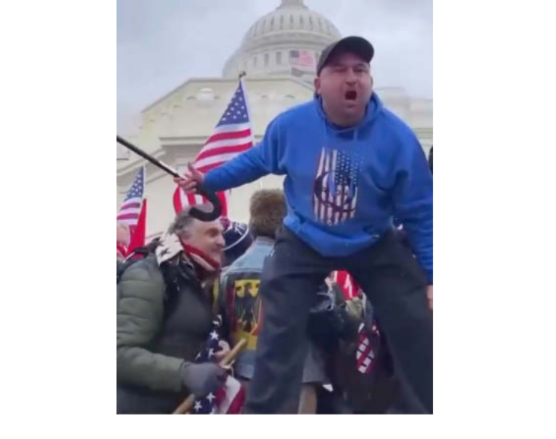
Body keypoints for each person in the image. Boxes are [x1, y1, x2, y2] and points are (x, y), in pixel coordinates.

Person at [176, 36, 433, 414]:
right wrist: (209, 181)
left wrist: (433, 277)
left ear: (370, 81)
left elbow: (422, 213)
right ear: (318, 85)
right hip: (305, 239)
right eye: (340, 70)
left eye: (360, 70)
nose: (352, 78)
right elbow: (256, 160)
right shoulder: (292, 126)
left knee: (416, 322)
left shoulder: (397, 139)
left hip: (372, 240)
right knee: (278, 326)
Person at [219, 189, 330, 414]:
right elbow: (323, 315)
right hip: (296, 376)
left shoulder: (228, 273)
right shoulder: (299, 269)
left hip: (244, 375)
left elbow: (222, 322)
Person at [116, 209, 230, 414]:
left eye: (221, 233)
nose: (222, 241)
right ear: (184, 236)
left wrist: (214, 347)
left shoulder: (199, 278)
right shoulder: (148, 276)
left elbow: (183, 334)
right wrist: (184, 373)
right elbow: (120, 354)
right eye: (212, 233)